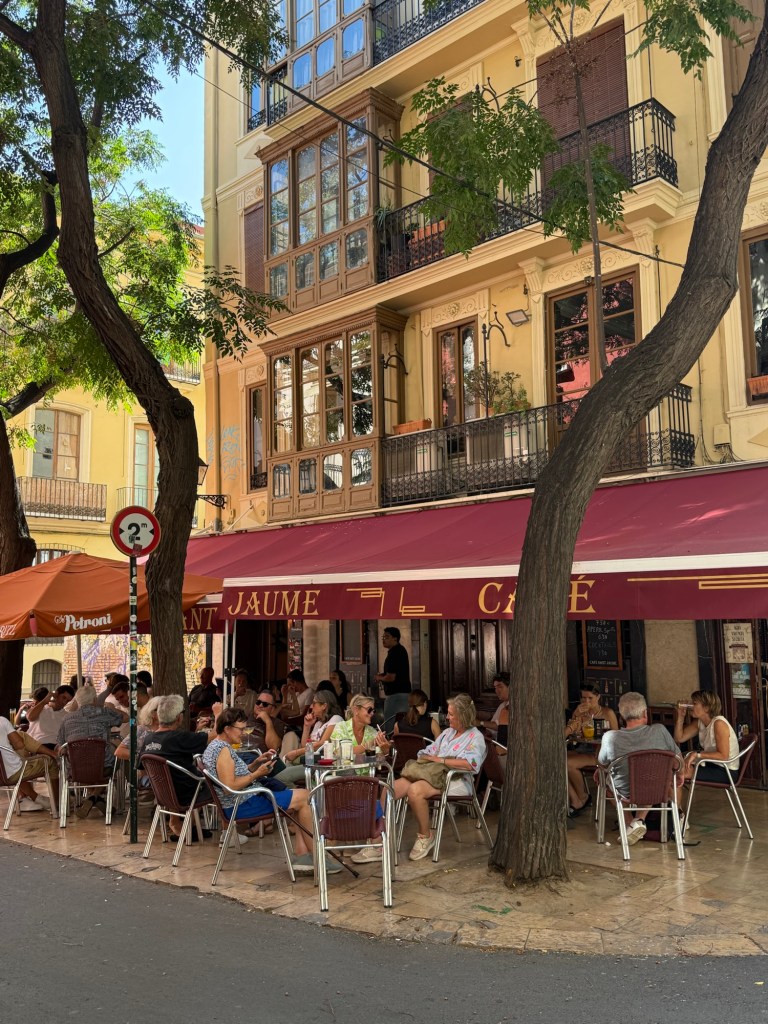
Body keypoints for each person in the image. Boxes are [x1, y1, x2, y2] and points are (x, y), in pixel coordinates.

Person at [201, 707, 337, 874]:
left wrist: (256, 763)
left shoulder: (214, 746)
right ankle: (319, 859)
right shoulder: (223, 751)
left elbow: (233, 776)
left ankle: (303, 857)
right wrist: (257, 774)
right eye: (240, 729)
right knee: (305, 797)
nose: (243, 733)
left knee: (300, 798)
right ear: (227, 729)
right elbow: (230, 787)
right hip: (243, 804)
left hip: (243, 800)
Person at [387, 693, 486, 863]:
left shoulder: (476, 737)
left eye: (451, 714)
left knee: (415, 791)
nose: (447, 717)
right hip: (433, 775)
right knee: (389, 788)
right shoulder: (447, 733)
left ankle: (426, 836)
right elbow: (428, 751)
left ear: (463, 716)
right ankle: (378, 840)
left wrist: (441, 760)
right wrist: (426, 756)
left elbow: (471, 764)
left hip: (457, 780)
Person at [597, 691, 681, 845]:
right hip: (656, 788)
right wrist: (678, 775)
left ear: (622, 716)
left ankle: (629, 822)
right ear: (645, 713)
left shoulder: (610, 737)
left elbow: (602, 764)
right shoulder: (660, 731)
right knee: (652, 776)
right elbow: (677, 762)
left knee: (606, 782)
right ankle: (638, 820)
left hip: (624, 791)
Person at [139, 694, 219, 840]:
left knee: (181, 778)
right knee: (220, 782)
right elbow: (214, 735)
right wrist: (218, 713)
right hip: (186, 794)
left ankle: (181, 825)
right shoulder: (179, 737)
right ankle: (228, 831)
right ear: (178, 717)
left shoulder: (148, 739)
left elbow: (141, 768)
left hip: (163, 794)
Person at [57, 682, 127, 818]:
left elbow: (60, 743)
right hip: (102, 766)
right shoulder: (104, 712)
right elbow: (126, 718)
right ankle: (95, 797)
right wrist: (109, 708)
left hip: (75, 768)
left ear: (77, 701)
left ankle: (92, 797)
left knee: (85, 764)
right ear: (95, 699)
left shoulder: (66, 719)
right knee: (113, 759)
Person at [565, 684, 619, 815]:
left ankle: (582, 798)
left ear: (598, 697)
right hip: (582, 748)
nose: (586, 702)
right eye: (583, 698)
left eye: (590, 698)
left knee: (567, 763)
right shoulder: (580, 713)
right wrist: (576, 715)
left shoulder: (608, 713)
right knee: (556, 762)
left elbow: (617, 737)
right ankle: (577, 798)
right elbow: (572, 733)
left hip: (599, 752)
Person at [278, 691, 344, 785]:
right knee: (283, 768)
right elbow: (304, 746)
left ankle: (300, 793)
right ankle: (301, 791)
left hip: (322, 766)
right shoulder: (318, 723)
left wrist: (296, 752)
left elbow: (321, 744)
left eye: (314, 703)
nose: (311, 707)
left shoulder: (336, 719)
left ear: (324, 706)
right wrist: (307, 726)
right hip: (311, 762)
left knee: (280, 777)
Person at [673, 690, 740, 781]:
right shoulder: (699, 722)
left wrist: (696, 755)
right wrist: (680, 717)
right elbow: (679, 738)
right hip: (710, 764)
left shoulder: (719, 724)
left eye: (694, 703)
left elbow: (723, 756)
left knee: (678, 773)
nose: (690, 705)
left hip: (726, 770)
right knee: (676, 767)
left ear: (707, 708)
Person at [0, 714, 58, 812]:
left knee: (21, 736)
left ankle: (26, 797)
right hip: (12, 774)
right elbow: (19, 744)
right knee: (50, 762)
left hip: (3, 774)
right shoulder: (2, 721)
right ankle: (56, 801)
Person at [329, 694, 390, 762]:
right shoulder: (341, 727)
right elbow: (338, 753)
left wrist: (385, 751)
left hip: (368, 769)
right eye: (369, 709)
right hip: (345, 769)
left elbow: (378, 761)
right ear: (356, 710)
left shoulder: (372, 732)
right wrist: (368, 744)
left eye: (373, 710)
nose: (372, 713)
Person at [375, 627, 411, 729]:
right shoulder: (400, 650)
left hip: (396, 696)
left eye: (387, 637)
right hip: (403, 694)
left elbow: (391, 677)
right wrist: (382, 675)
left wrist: (379, 678)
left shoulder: (395, 653)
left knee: (390, 726)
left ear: (395, 638)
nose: (383, 639)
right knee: (403, 726)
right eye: (383, 637)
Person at [26, 685, 75, 749]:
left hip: (56, 748)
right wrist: (45, 701)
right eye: (63, 697)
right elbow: (30, 717)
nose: (64, 702)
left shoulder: (67, 715)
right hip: (37, 746)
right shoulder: (40, 708)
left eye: (68, 700)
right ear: (56, 694)